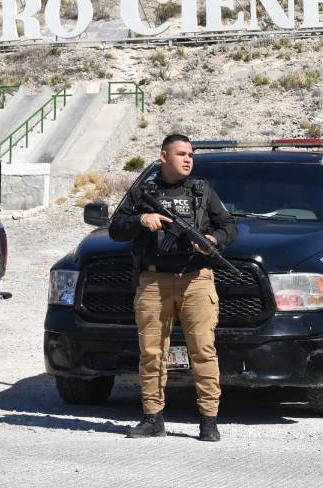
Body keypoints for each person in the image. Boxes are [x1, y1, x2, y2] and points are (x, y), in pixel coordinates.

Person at [108, 133, 238, 442]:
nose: (188, 159)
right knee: (152, 352)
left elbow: (229, 226)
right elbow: (116, 228)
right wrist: (143, 219)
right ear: (164, 156)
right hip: (153, 281)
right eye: (181, 153)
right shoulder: (144, 192)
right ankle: (152, 418)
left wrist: (214, 241)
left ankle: (208, 420)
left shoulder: (201, 191)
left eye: (190, 154)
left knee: (203, 350)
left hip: (196, 279)